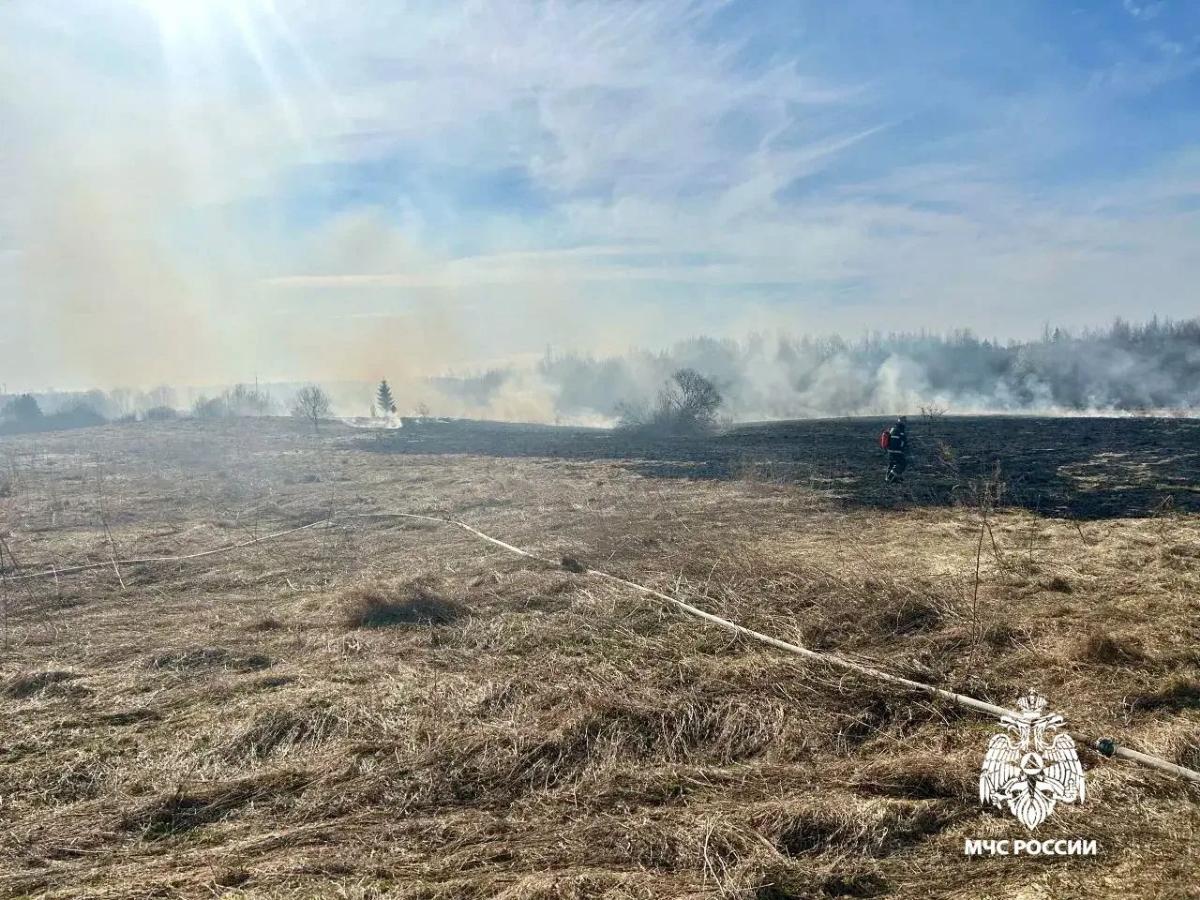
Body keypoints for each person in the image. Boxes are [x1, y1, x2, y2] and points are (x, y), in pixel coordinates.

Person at [884, 415, 908, 483]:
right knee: (902, 463)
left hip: (890, 450)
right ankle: (891, 477)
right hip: (896, 450)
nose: (905, 423)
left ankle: (889, 479)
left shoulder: (893, 428)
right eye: (905, 421)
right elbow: (902, 441)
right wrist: (901, 449)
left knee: (892, 464)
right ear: (903, 422)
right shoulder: (900, 429)